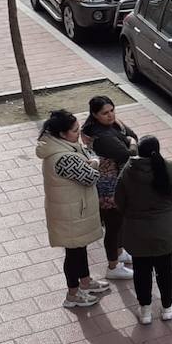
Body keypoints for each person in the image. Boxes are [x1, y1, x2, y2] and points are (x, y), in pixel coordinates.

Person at [36, 110, 110, 309]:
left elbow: (89, 154)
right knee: (73, 253)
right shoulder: (64, 158)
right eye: (75, 130)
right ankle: (73, 293)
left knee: (80, 248)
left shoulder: (65, 146)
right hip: (71, 214)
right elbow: (91, 177)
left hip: (74, 211)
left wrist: (92, 161)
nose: (79, 133)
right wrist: (95, 163)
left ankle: (85, 282)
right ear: (62, 133)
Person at [115, 135, 172, 324]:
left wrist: (131, 215)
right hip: (164, 229)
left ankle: (145, 311)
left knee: (141, 271)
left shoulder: (128, 171)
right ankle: (167, 308)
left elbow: (119, 201)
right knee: (165, 270)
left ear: (138, 151)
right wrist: (168, 211)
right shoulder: (169, 167)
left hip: (137, 232)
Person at [81, 96, 137, 282]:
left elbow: (132, 135)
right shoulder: (102, 136)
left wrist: (129, 137)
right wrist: (131, 142)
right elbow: (128, 154)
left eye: (112, 110)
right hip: (108, 188)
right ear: (95, 114)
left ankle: (119, 253)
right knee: (113, 225)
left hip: (116, 183)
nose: (110, 115)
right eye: (105, 113)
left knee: (118, 222)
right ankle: (113, 266)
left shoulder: (109, 127)